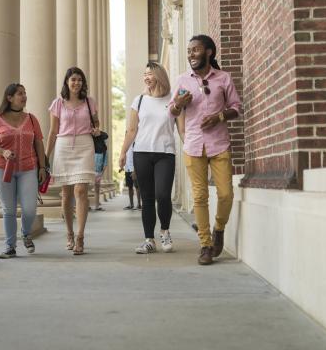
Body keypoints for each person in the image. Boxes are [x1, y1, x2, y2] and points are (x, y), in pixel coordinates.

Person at [169, 34, 243, 265]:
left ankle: (218, 228)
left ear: (209, 52)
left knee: (226, 194)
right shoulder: (183, 80)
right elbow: (172, 111)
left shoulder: (223, 78)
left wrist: (219, 116)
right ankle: (205, 244)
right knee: (199, 196)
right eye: (189, 50)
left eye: (196, 50)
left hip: (219, 144)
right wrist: (179, 104)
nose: (191, 54)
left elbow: (237, 107)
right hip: (193, 146)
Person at [0, 83, 47, 259]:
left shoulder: (32, 119)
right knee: (9, 209)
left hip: (28, 168)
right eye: (20, 94)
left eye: (25, 93)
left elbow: (39, 143)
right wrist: (2, 152)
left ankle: (26, 233)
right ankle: (10, 246)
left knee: (29, 209)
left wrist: (42, 167)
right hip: (3, 169)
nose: (24, 96)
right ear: (9, 98)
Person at [119, 61, 177, 254]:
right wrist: (122, 152)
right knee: (147, 197)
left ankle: (165, 231)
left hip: (165, 153)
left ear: (159, 76)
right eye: (144, 74)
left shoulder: (173, 99)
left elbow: (182, 128)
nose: (146, 77)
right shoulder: (139, 100)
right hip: (142, 153)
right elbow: (131, 130)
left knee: (163, 195)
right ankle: (149, 239)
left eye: (150, 73)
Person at [45, 67, 100, 255]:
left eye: (79, 80)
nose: (76, 83)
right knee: (66, 194)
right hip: (64, 146)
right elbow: (53, 132)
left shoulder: (89, 102)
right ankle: (69, 233)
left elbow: (96, 123)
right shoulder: (58, 104)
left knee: (81, 190)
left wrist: (96, 130)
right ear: (67, 82)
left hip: (85, 145)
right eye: (73, 79)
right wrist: (46, 156)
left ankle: (80, 236)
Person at [91, 138, 108, 211]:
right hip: (90, 172)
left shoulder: (104, 152)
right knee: (86, 189)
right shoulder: (91, 149)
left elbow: (105, 164)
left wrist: (101, 174)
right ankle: (87, 205)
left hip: (98, 172)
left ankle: (96, 206)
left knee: (97, 189)